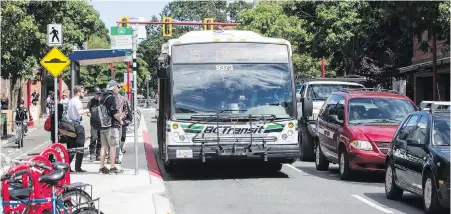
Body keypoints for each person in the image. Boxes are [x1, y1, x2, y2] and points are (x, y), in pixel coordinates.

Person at [98, 80, 123, 174]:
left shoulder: (102, 97)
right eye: (117, 87)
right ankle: (112, 167)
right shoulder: (112, 97)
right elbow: (114, 112)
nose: (118, 89)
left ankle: (102, 167)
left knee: (103, 147)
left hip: (103, 125)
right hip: (111, 126)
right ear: (113, 88)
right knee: (112, 146)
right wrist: (120, 119)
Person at [66, 85, 89, 172]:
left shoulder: (71, 101)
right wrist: (87, 110)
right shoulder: (77, 101)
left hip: (70, 125)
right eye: (83, 92)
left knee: (71, 147)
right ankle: (78, 167)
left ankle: (67, 167)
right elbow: (80, 112)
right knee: (80, 147)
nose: (84, 93)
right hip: (77, 126)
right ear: (78, 92)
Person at [87, 87, 102, 161]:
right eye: (96, 94)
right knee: (94, 138)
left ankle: (98, 154)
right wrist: (89, 113)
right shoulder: (91, 102)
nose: (98, 95)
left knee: (100, 139)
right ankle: (92, 153)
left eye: (99, 94)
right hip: (93, 123)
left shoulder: (102, 101)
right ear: (94, 94)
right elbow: (88, 110)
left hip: (101, 123)